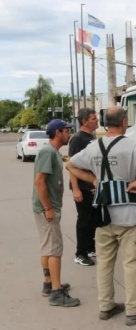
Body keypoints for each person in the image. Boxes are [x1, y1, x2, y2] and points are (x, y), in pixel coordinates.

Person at [66, 106, 136, 326]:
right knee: (132, 263)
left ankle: (106, 306)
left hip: (102, 213)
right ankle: (134, 311)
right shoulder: (131, 145)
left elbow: (71, 165)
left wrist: (93, 180)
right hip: (128, 215)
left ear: (104, 123)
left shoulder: (93, 146)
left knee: (105, 263)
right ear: (124, 122)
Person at [33, 119, 80, 307]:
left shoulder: (52, 152)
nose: (69, 134)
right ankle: (56, 291)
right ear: (58, 132)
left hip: (47, 208)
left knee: (47, 247)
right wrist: (48, 208)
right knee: (54, 249)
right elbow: (39, 181)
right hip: (47, 209)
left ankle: (48, 283)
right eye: (67, 131)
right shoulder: (48, 152)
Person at [69, 108, 99, 267]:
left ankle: (89, 247)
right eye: (94, 118)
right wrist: (76, 189)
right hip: (82, 187)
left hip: (93, 186)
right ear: (85, 121)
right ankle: (80, 253)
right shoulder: (78, 139)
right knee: (84, 220)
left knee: (94, 219)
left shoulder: (91, 137)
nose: (97, 120)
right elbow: (71, 166)